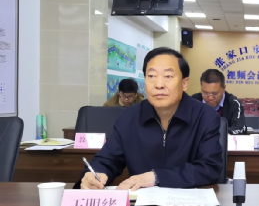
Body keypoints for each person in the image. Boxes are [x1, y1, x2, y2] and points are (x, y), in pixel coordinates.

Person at [75, 47, 223, 190]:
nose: (158, 85)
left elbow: (209, 168)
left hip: (190, 203)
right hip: (141, 204)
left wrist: (156, 177)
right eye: (151, 76)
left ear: (184, 83)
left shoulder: (205, 116)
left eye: (168, 76)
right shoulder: (129, 117)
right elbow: (107, 159)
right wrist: (96, 173)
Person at [191, 69, 247, 135]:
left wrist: (220, 134)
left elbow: (241, 128)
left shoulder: (234, 103)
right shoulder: (193, 102)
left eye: (215, 93)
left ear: (224, 88)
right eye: (205, 93)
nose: (210, 98)